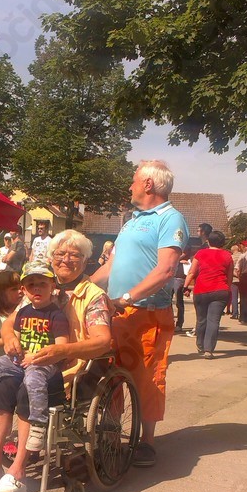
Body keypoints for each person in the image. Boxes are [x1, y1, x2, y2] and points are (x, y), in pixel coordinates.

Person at [0, 229, 112, 492]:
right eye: (60, 254)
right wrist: (10, 338)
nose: (66, 259)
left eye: (74, 255)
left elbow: (103, 341)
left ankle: (17, 472)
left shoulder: (93, 296)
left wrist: (63, 349)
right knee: (2, 385)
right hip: (28, 362)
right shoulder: (38, 285)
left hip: (68, 371)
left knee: (25, 390)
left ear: (86, 260)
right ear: (51, 258)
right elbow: (10, 322)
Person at [92, 159, 189, 467]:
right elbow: (111, 265)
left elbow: (166, 270)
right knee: (111, 373)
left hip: (148, 313)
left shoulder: (170, 219)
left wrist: (127, 297)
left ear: (148, 184)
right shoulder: (131, 221)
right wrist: (81, 287)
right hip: (117, 311)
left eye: (134, 180)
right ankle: (111, 433)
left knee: (147, 376)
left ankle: (147, 441)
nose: (130, 186)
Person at [0, 261, 69, 453]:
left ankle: (38, 424)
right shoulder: (23, 312)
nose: (36, 288)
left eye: (42, 284)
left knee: (33, 380)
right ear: (24, 290)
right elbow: (14, 337)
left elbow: (61, 346)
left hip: (44, 362)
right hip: (22, 359)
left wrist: (37, 356)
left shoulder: (56, 315)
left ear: (52, 286)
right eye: (31, 285)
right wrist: (12, 346)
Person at [183, 231, 233, 358]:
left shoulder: (200, 253)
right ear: (223, 243)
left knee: (201, 319)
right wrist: (227, 290)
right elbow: (230, 277)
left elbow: (192, 272)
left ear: (208, 241)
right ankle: (208, 349)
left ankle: (200, 344)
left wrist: (185, 286)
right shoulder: (227, 256)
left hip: (201, 290)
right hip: (220, 291)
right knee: (213, 321)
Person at [229, 244, 242, 319]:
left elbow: (230, 269)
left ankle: (235, 313)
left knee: (234, 297)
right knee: (244, 296)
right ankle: (244, 312)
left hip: (234, 279)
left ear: (232, 251)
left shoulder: (231, 257)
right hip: (243, 279)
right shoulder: (243, 256)